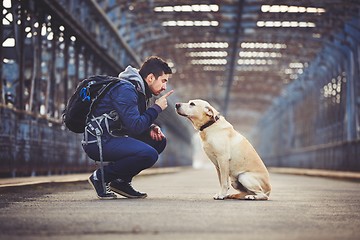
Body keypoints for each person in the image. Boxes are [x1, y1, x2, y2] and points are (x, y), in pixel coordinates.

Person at [83, 56, 174, 199]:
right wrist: (156, 108)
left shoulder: (139, 91)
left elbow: (130, 122)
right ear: (150, 78)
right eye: (163, 81)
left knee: (158, 141)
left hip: (113, 136)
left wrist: (150, 127)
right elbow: (135, 127)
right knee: (149, 154)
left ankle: (121, 182)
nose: (164, 87)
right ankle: (101, 177)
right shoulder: (126, 89)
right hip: (100, 140)